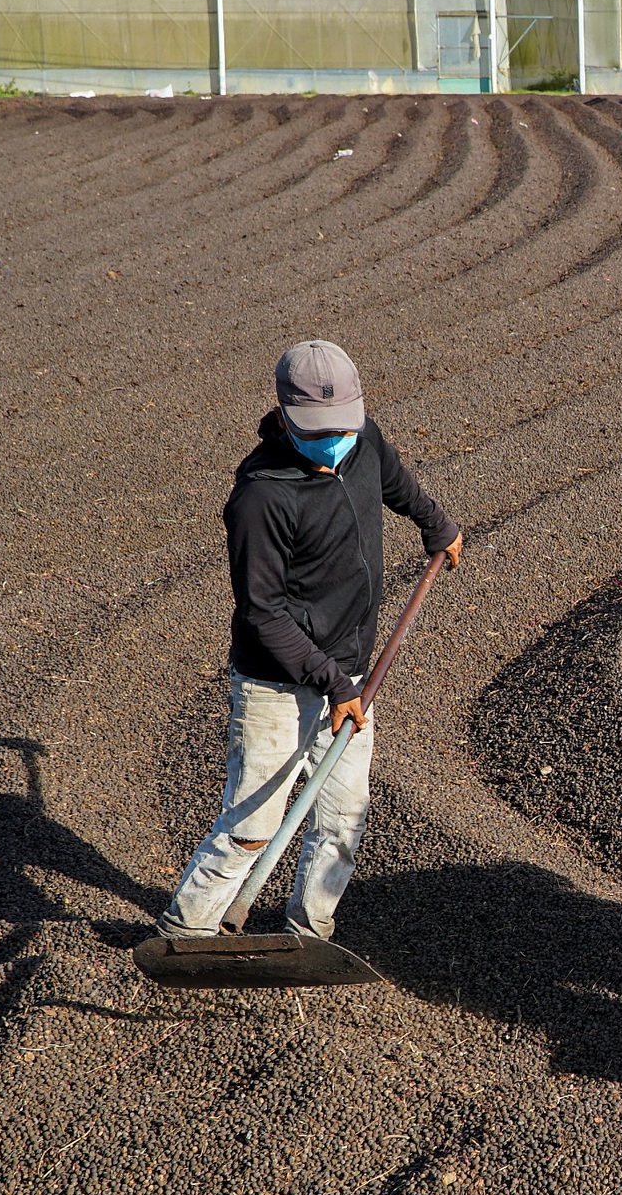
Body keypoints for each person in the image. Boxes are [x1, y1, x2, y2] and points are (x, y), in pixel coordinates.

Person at [157, 340, 462, 943]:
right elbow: (263, 613)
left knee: (342, 817)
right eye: (320, 433)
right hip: (280, 684)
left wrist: (437, 524)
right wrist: (334, 683)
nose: (336, 444)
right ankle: (185, 934)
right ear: (286, 417)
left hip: (350, 672)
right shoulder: (261, 497)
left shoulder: (358, 436)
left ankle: (308, 932)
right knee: (255, 822)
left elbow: (393, 479)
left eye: (343, 429)